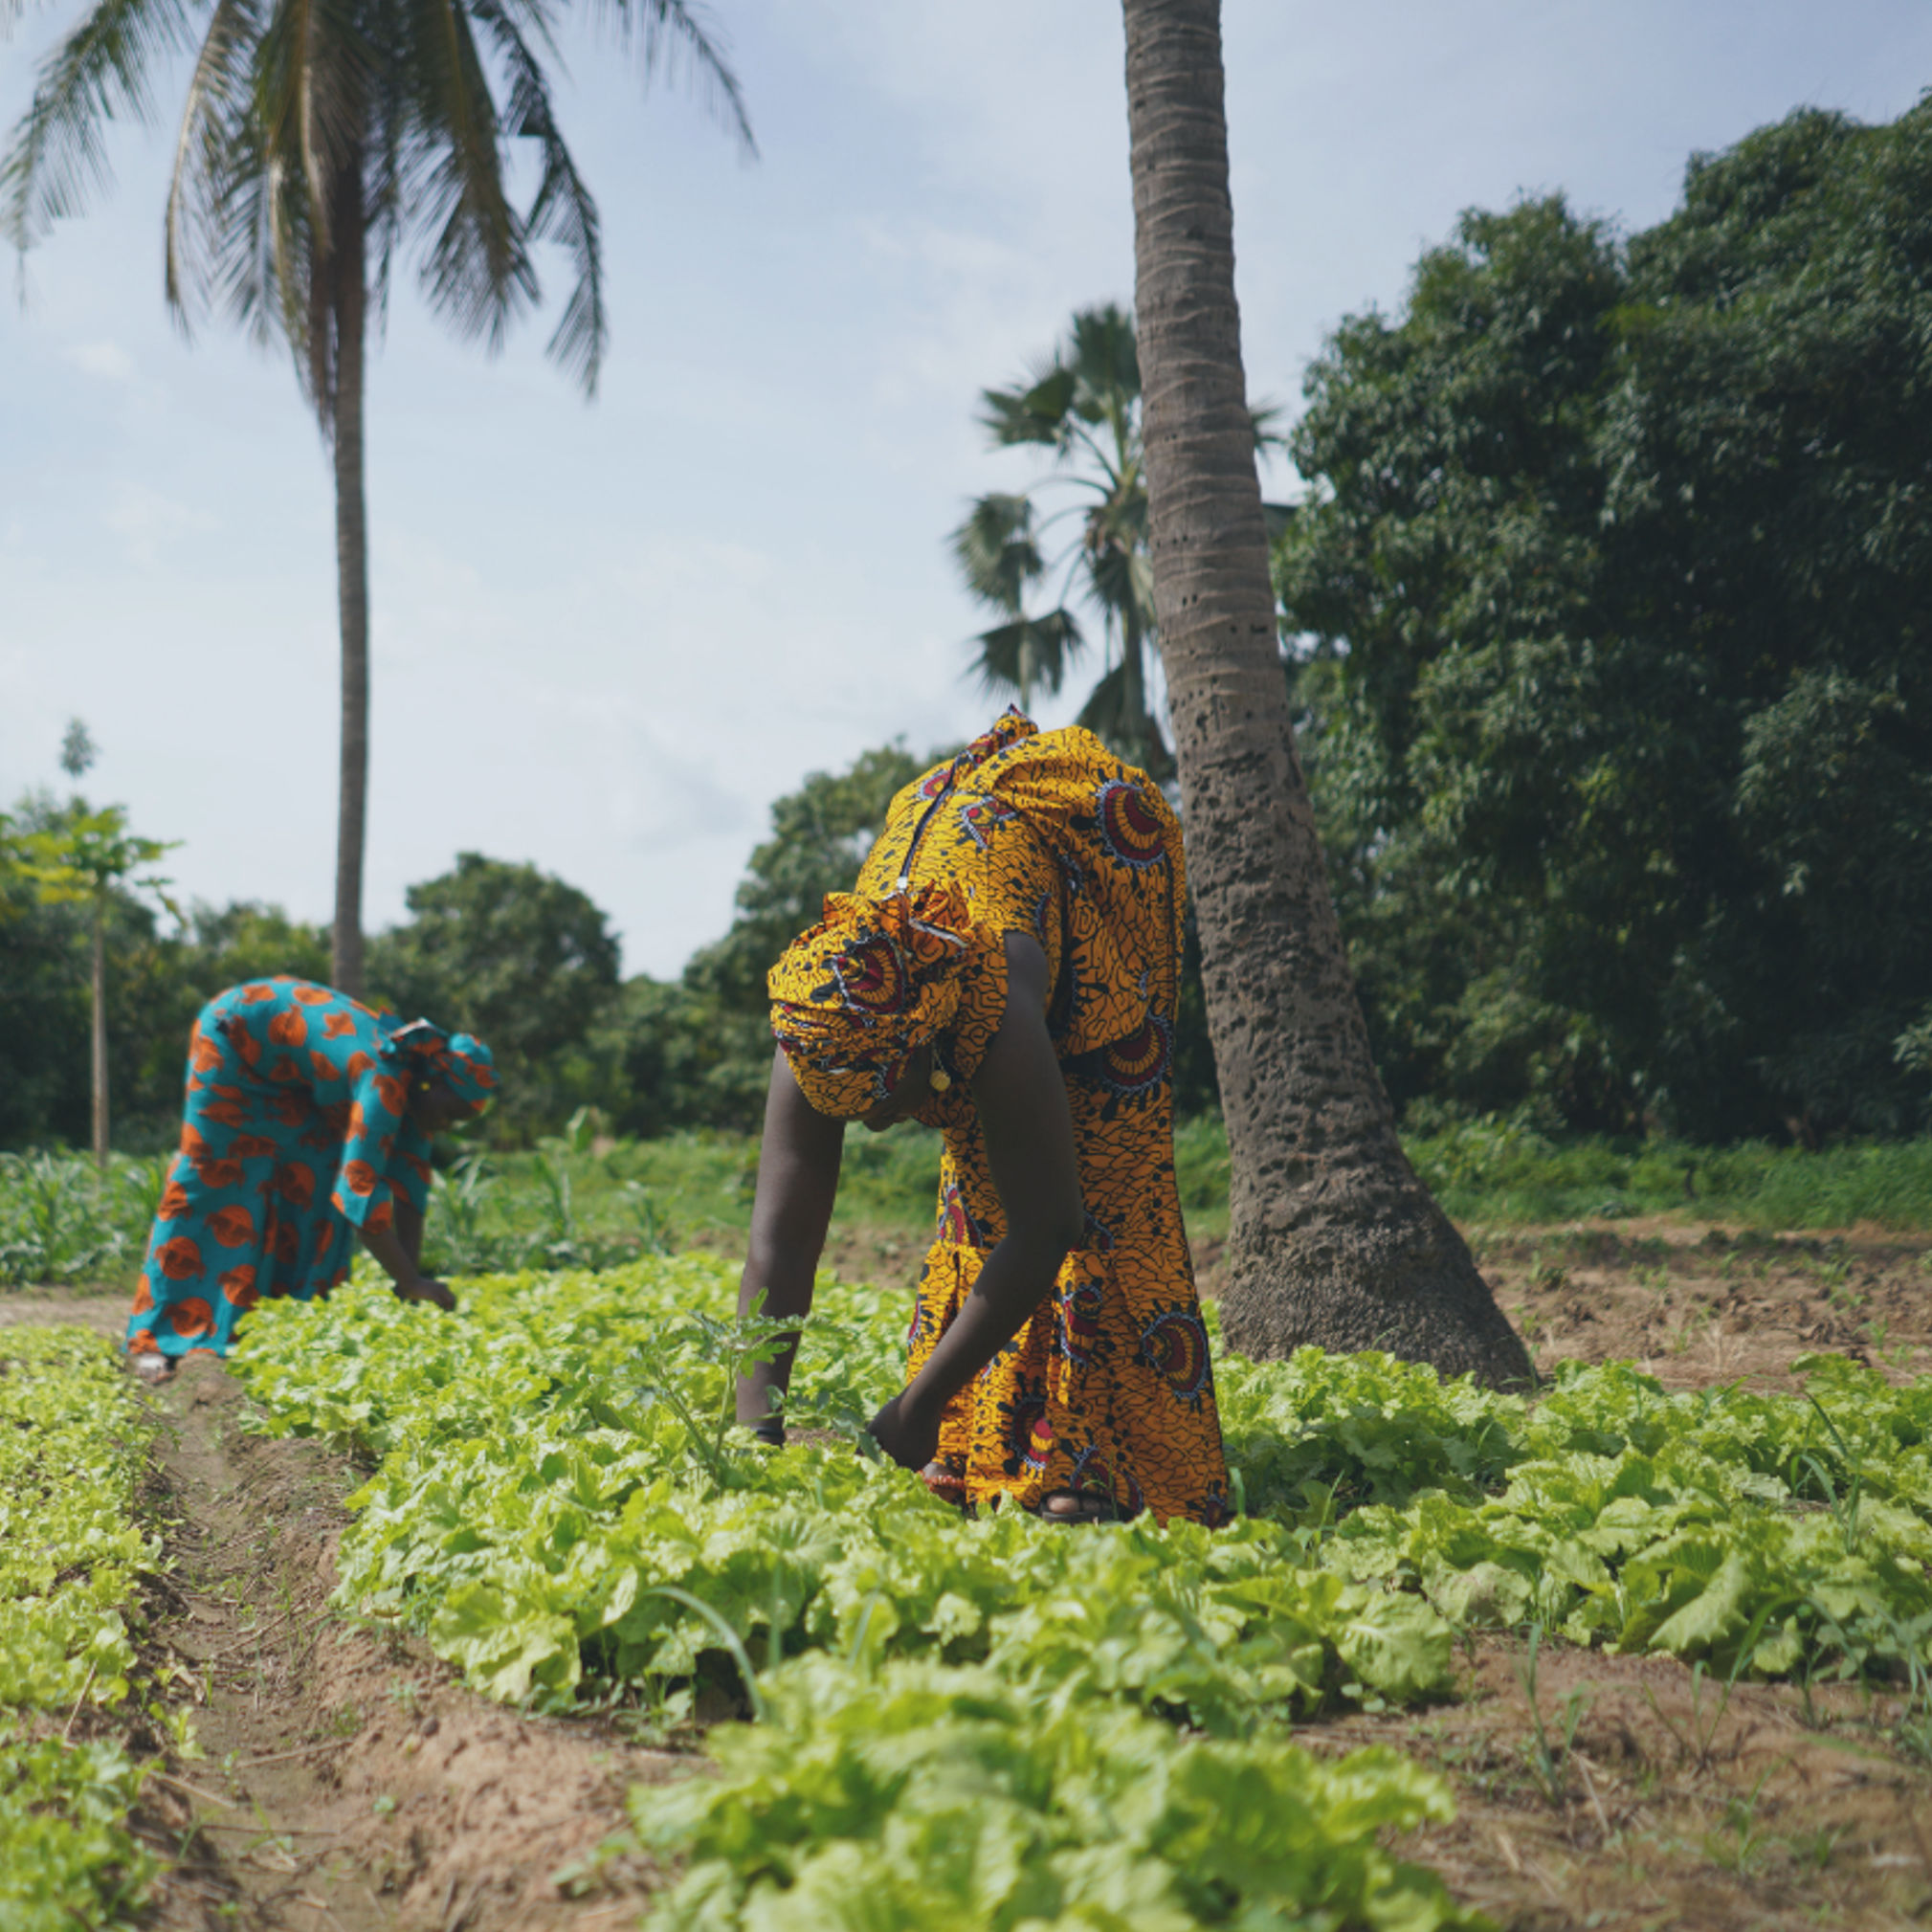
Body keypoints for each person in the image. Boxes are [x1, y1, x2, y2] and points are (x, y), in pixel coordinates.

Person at [738, 709, 1230, 1524]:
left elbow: (1049, 1227)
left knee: (1101, 1176)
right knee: (979, 1180)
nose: (876, 1125)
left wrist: (912, 1409)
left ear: (920, 1038)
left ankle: (1096, 1460)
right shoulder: (822, 1016)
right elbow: (778, 1242)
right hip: (951, 837)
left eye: (883, 1105)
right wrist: (754, 1437)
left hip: (1095, 846)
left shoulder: (997, 1001)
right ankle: (985, 1437)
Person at [125, 977, 495, 1378]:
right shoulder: (384, 1077)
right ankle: (157, 1337)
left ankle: (281, 1325)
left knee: (313, 1176)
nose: (444, 1125)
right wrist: (409, 1281)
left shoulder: (416, 1094)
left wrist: (413, 1282)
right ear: (431, 1085)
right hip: (233, 1038)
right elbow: (358, 1201)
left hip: (292, 1076)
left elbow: (410, 1190)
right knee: (214, 1178)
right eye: (449, 1113)